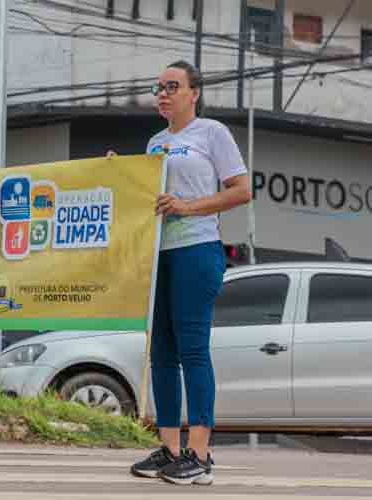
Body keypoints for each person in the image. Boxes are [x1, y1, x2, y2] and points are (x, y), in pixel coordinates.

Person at [128, 61, 252, 485]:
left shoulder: (212, 133)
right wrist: (120, 174)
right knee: (161, 352)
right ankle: (170, 449)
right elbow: (146, 198)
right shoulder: (155, 142)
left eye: (172, 86)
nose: (163, 94)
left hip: (197, 250)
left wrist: (188, 207)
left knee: (192, 350)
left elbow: (242, 190)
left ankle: (199, 455)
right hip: (159, 254)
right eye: (158, 87)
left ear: (194, 93)